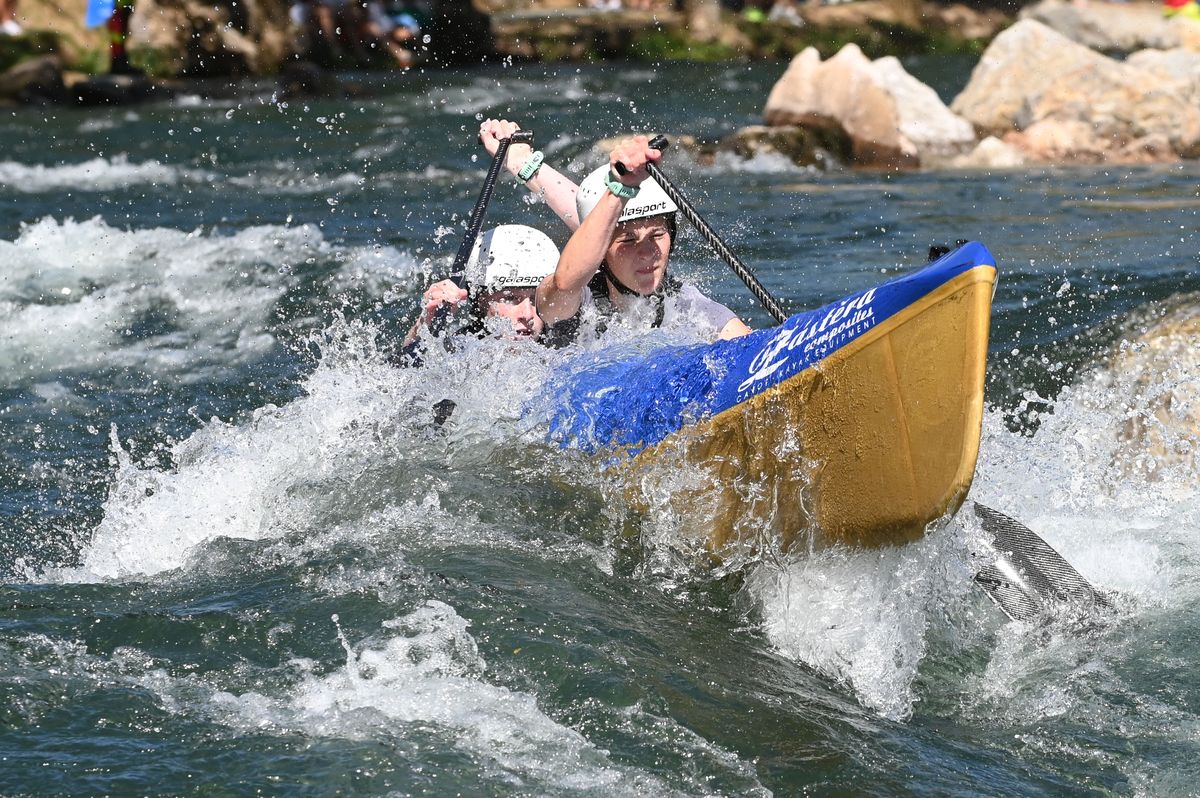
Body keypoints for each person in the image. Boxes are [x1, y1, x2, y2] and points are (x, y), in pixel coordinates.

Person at [478, 122, 752, 346]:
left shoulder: (686, 307)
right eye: (629, 242)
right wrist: (619, 190)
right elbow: (568, 275)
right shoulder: (575, 304)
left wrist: (522, 162)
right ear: (602, 253)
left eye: (656, 236)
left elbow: (750, 350)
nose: (647, 254)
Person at [399, 224, 560, 358]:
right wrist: (425, 324)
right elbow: (402, 373)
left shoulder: (567, 345)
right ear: (480, 301)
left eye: (536, 299)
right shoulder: (460, 352)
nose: (527, 314)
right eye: (510, 298)